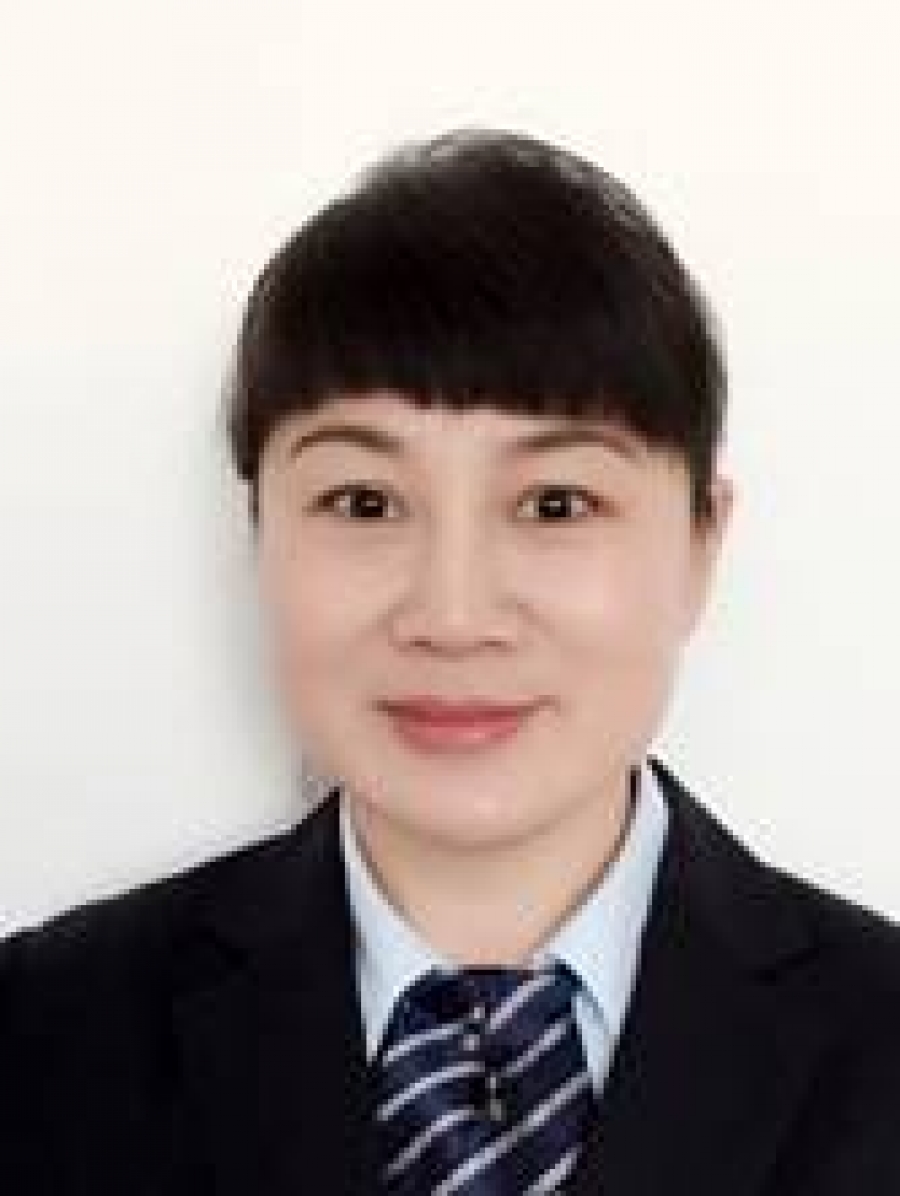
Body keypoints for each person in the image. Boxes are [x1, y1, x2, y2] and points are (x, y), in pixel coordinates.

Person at [2, 127, 898, 1195]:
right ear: (257, 533)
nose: (454, 615)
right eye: (363, 502)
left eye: (556, 503)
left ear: (702, 543)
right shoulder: (40, 1040)